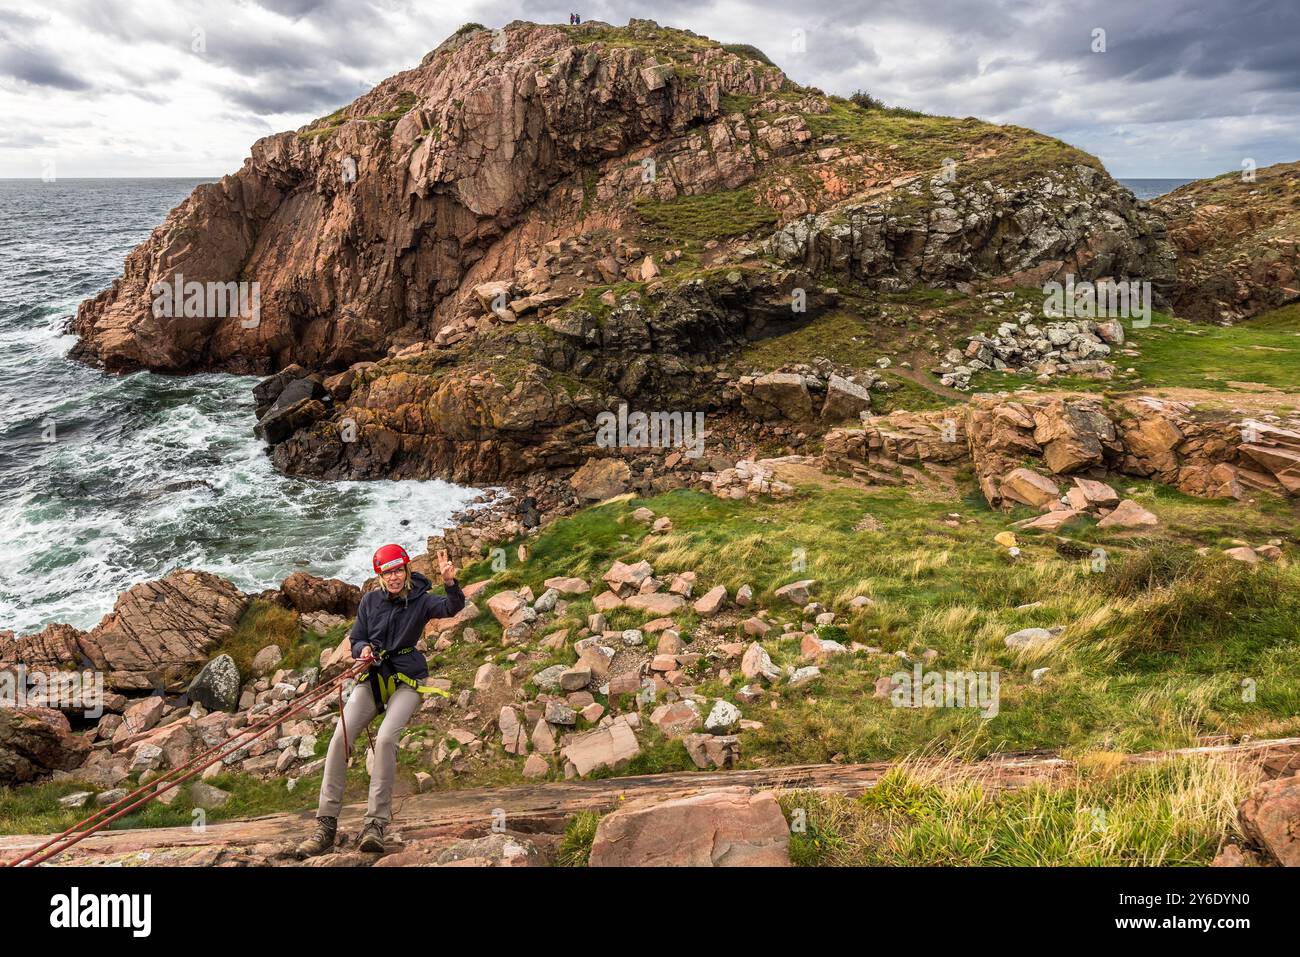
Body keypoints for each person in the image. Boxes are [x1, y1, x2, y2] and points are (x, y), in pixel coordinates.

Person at [296, 544, 464, 857]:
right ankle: (326, 825)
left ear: (407, 570)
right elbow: (357, 636)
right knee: (339, 738)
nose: (394, 577)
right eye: (388, 572)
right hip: (373, 677)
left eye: (399, 570)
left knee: (386, 739)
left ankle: (375, 824)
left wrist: (450, 583)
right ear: (380, 576)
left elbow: (451, 608)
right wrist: (361, 650)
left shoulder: (422, 600)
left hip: (406, 679)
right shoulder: (370, 601)